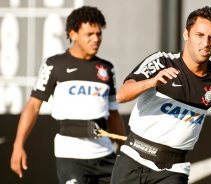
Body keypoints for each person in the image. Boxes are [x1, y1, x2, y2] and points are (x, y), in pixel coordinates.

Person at [111, 6, 211, 184]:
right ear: (186, 35)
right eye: (199, 35)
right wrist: (152, 82)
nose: (205, 43)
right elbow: (122, 95)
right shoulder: (161, 62)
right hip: (132, 160)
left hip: (173, 170)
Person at [10, 6, 126, 184]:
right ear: (72, 34)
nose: (96, 39)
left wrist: (123, 150)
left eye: (99, 34)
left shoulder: (107, 69)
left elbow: (113, 113)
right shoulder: (54, 64)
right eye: (89, 34)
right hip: (71, 157)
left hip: (105, 154)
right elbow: (33, 106)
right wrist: (18, 145)